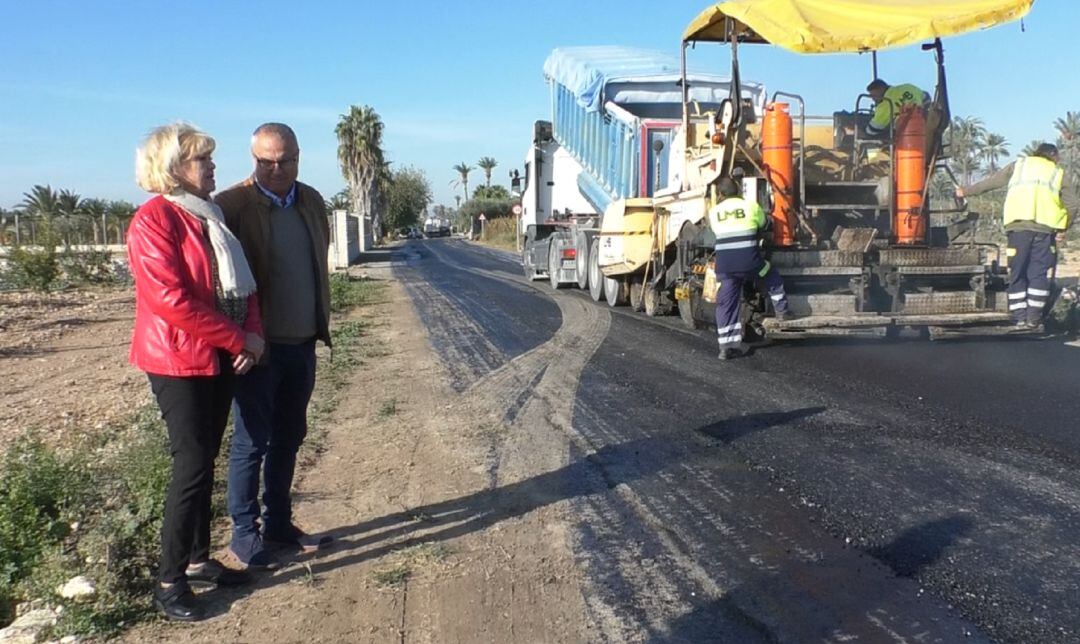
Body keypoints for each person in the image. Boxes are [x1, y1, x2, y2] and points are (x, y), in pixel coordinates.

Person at [128, 122, 264, 621]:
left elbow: (242, 286)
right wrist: (237, 338)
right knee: (190, 466)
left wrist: (252, 334)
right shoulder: (153, 221)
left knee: (205, 459)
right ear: (173, 170)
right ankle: (169, 582)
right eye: (201, 160)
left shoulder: (212, 216)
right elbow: (171, 301)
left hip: (219, 356)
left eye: (209, 158)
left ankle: (199, 558)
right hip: (178, 361)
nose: (211, 167)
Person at [216, 123, 333, 568]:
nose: (278, 169)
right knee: (251, 443)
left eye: (286, 160)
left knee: (290, 436)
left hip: (302, 343)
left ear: (299, 156)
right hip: (258, 350)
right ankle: (245, 535)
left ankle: (279, 522)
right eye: (268, 161)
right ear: (254, 159)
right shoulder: (233, 205)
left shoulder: (311, 201)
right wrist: (237, 336)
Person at [957, 143, 1077, 328]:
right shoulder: (1058, 172)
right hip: (1045, 231)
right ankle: (1033, 319)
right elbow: (1072, 204)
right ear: (1053, 155)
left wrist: (965, 191)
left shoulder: (1018, 165)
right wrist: (1063, 228)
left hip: (1018, 228)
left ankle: (1019, 317)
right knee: (1038, 273)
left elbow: (991, 183)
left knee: (1018, 272)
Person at [709, 177, 792, 360]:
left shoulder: (714, 212)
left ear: (720, 194)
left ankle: (726, 347)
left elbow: (716, 231)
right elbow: (764, 224)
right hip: (751, 264)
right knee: (771, 275)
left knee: (726, 304)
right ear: (739, 190)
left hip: (726, 268)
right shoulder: (752, 206)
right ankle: (782, 313)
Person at [864, 78, 930, 138]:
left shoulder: (884, 107)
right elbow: (926, 98)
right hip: (924, 128)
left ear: (880, 89)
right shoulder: (908, 87)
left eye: (873, 95)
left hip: (905, 136)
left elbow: (871, 130)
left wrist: (861, 129)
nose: (872, 98)